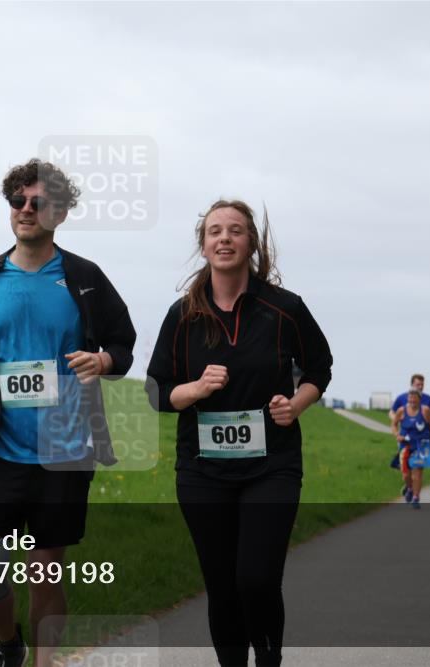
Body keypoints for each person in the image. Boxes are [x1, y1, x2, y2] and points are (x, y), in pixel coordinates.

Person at [0, 159, 136, 667]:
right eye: (18, 201)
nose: (26, 210)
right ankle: (9, 644)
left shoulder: (84, 278)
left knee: (45, 571)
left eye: (39, 203)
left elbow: (122, 342)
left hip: (64, 449)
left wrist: (104, 360)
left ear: (61, 213)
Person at [145, 199, 333, 667]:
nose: (224, 238)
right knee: (222, 583)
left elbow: (319, 368)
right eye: (214, 231)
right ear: (203, 245)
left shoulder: (284, 309)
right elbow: (155, 392)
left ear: (252, 242)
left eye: (235, 230)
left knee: (257, 579)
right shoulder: (182, 315)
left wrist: (296, 404)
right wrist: (195, 388)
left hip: (272, 466)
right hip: (202, 470)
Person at [389, 374, 430, 489]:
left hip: (422, 438)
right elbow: (392, 412)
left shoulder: (428, 399)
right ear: (412, 384)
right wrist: (397, 420)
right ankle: (409, 484)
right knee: (406, 468)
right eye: (418, 384)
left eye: (422, 384)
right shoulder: (402, 398)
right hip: (405, 437)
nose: (420, 386)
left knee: (417, 468)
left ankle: (415, 492)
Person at [391, 389, 430, 510]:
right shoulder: (401, 410)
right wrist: (397, 435)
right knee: (405, 475)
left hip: (421, 445)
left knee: (417, 473)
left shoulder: (425, 410)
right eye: (410, 398)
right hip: (405, 445)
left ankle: (416, 497)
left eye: (414, 398)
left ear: (419, 399)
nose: (412, 401)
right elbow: (394, 424)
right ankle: (409, 488)